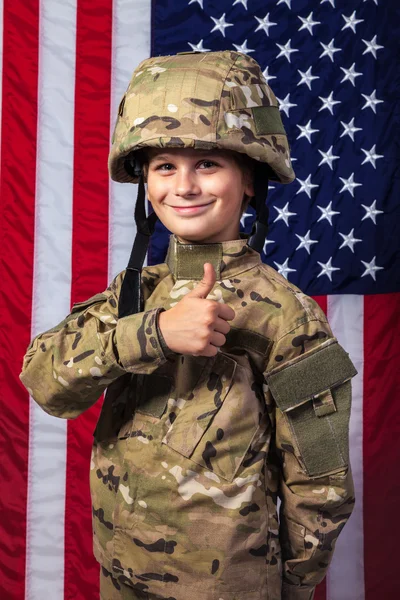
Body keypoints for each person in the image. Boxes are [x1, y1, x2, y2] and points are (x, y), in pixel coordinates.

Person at [20, 50, 357, 600]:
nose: (184, 186)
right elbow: (45, 382)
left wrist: (289, 587)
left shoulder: (287, 314)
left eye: (207, 164)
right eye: (164, 167)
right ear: (145, 185)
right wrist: (150, 333)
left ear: (249, 179)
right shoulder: (135, 291)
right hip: (119, 570)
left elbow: (321, 481)